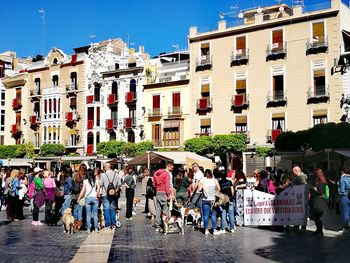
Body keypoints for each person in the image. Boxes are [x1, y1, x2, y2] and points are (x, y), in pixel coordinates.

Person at [198, 169, 220, 235]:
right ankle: (214, 230)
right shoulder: (214, 180)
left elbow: (199, 189)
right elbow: (219, 189)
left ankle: (206, 230)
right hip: (213, 200)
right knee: (213, 215)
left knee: (205, 215)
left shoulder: (203, 179)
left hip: (205, 200)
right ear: (211, 173)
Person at [100, 163, 121, 229]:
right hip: (113, 195)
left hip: (105, 194)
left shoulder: (103, 175)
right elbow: (119, 185)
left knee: (106, 209)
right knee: (112, 208)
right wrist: (115, 191)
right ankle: (113, 224)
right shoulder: (116, 174)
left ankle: (108, 224)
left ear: (105, 167)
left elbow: (101, 184)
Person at [78, 169, 100, 233]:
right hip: (94, 198)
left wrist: (79, 198)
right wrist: (96, 194)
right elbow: (98, 187)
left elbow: (83, 191)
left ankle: (88, 229)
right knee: (95, 214)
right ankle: (96, 229)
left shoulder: (85, 181)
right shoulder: (96, 180)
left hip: (87, 198)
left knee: (88, 214)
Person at [153, 161, 172, 232]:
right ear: (165, 166)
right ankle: (165, 226)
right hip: (164, 193)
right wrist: (169, 194)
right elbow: (167, 185)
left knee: (158, 210)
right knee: (165, 210)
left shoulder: (155, 174)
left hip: (158, 193)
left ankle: (158, 226)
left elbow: (154, 184)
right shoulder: (166, 174)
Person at [309, 168, 328, 235]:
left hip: (318, 201)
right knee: (317, 216)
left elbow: (319, 191)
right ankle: (318, 230)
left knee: (317, 217)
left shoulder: (320, 181)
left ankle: (319, 231)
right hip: (320, 200)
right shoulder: (322, 180)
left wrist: (313, 188)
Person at [72, 164, 86, 230]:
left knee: (75, 209)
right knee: (80, 209)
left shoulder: (75, 175)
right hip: (81, 195)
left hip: (74, 195)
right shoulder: (84, 176)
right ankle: (79, 224)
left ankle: (75, 223)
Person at [338, 168, 350, 232]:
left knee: (346, 214)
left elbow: (341, 190)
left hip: (345, 198)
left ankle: (345, 227)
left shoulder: (343, 179)